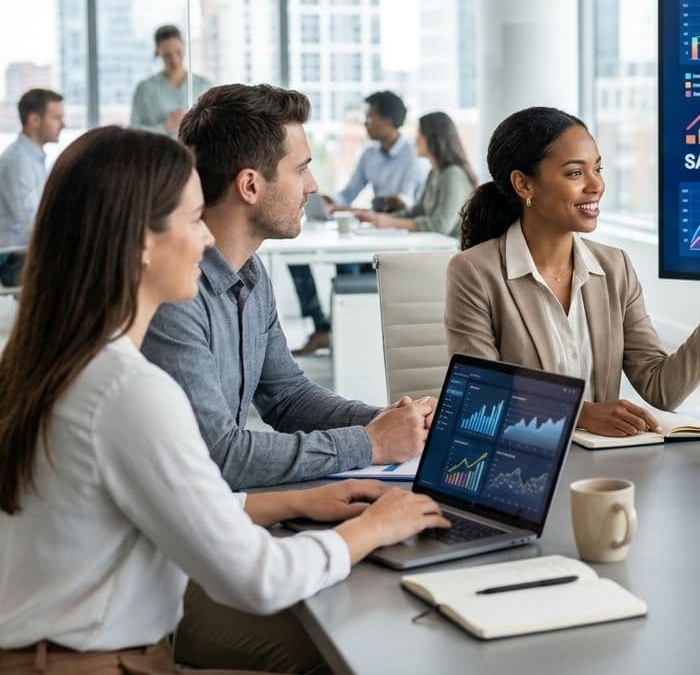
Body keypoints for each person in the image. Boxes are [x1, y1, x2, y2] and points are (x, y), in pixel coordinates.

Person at [0, 126, 448, 673]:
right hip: (101, 662)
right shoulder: (128, 390)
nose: (207, 239)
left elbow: (158, 490)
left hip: (52, 652)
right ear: (142, 243)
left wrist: (296, 501)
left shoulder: (57, 360)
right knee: (350, 651)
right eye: (193, 221)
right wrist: (373, 529)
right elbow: (260, 579)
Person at [140, 83, 433, 490]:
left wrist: (387, 422)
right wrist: (369, 443)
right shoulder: (175, 295)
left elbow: (287, 396)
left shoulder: (251, 274)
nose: (312, 186)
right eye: (301, 168)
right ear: (250, 186)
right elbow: (219, 455)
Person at [446, 106, 700, 438]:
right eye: (575, 173)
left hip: (601, 469)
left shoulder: (614, 267)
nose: (596, 186)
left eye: (598, 169)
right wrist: (581, 414)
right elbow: (481, 397)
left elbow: (660, 389)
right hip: (519, 460)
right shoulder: (475, 272)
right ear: (524, 184)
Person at [290, 89, 424, 355]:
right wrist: (329, 200)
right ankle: (323, 329)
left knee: (349, 267)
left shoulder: (413, 156)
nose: (365, 122)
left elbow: (404, 202)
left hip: (400, 237)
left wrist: (356, 209)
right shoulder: (369, 155)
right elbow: (349, 191)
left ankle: (349, 339)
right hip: (372, 230)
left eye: (370, 117)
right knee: (299, 261)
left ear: (387, 120)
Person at [357, 110, 477, 238]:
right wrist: (380, 218)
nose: (415, 139)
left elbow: (441, 225)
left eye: (419, 133)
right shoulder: (434, 172)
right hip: (436, 247)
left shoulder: (453, 174)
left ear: (432, 138)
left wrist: (393, 222)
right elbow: (419, 210)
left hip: (451, 252)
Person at [0, 88, 64, 287]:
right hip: (14, 259)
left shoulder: (31, 159)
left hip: (27, 253)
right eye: (57, 118)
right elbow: (33, 223)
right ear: (34, 120)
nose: (63, 124)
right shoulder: (17, 162)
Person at [130, 24, 213, 135]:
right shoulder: (145, 89)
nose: (174, 60)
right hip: (158, 150)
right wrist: (165, 127)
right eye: (167, 55)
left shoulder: (204, 85)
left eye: (178, 52)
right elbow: (133, 132)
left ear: (184, 48)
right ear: (157, 52)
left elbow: (214, 127)